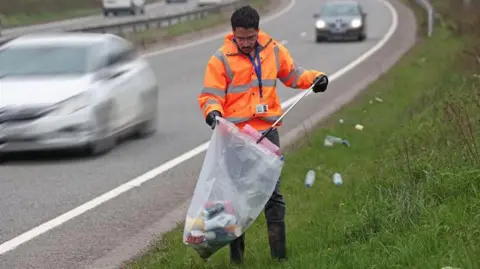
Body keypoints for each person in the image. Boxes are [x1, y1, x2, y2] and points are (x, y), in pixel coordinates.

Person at [197, 4, 329, 264]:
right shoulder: (220, 59)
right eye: (240, 38)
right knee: (235, 197)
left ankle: (279, 257)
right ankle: (237, 259)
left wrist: (316, 78)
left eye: (250, 37)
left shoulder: (274, 50)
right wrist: (212, 113)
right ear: (233, 34)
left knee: (273, 195)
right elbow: (210, 95)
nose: (245, 43)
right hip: (235, 138)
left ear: (258, 31)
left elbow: (293, 74)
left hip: (268, 134)